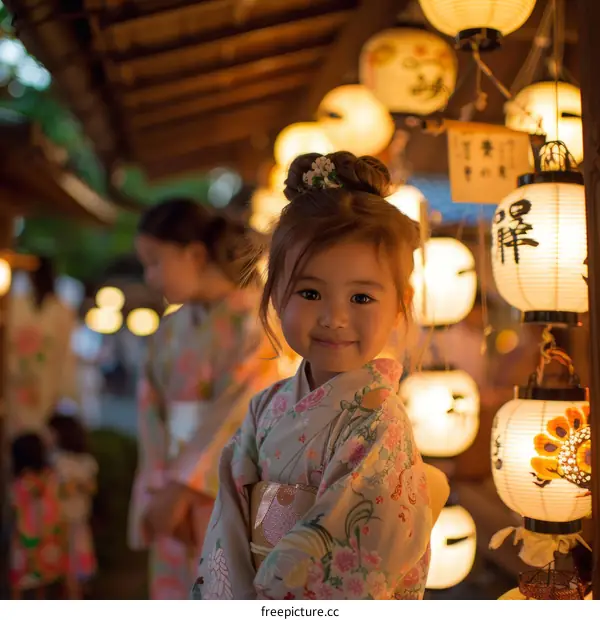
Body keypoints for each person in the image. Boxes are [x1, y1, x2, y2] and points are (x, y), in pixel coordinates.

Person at [194, 152, 447, 600]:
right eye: (310, 292)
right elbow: (229, 518)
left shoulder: (378, 420)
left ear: (400, 302)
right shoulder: (265, 405)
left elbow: (363, 552)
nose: (334, 317)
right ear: (275, 293)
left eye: (362, 298)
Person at [128, 198, 281, 600]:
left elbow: (241, 413)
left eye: (155, 262)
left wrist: (181, 487)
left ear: (194, 254)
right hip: (170, 487)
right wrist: (161, 486)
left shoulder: (255, 322)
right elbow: (150, 411)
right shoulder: (170, 328)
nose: (150, 276)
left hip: (223, 491)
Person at [7, 256, 78, 436]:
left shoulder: (62, 310)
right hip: (14, 380)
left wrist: (64, 390)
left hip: (46, 383)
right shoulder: (16, 304)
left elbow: (66, 354)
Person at [10, 432, 67, 599]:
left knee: (18, 584)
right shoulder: (51, 477)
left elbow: (17, 509)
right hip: (48, 538)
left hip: (24, 539)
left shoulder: (21, 482)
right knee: (42, 585)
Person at [47, 413, 98, 598]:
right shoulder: (64, 459)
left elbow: (88, 487)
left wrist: (73, 485)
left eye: (50, 432)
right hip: (66, 521)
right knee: (71, 570)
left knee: (72, 570)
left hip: (70, 521)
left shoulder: (60, 461)